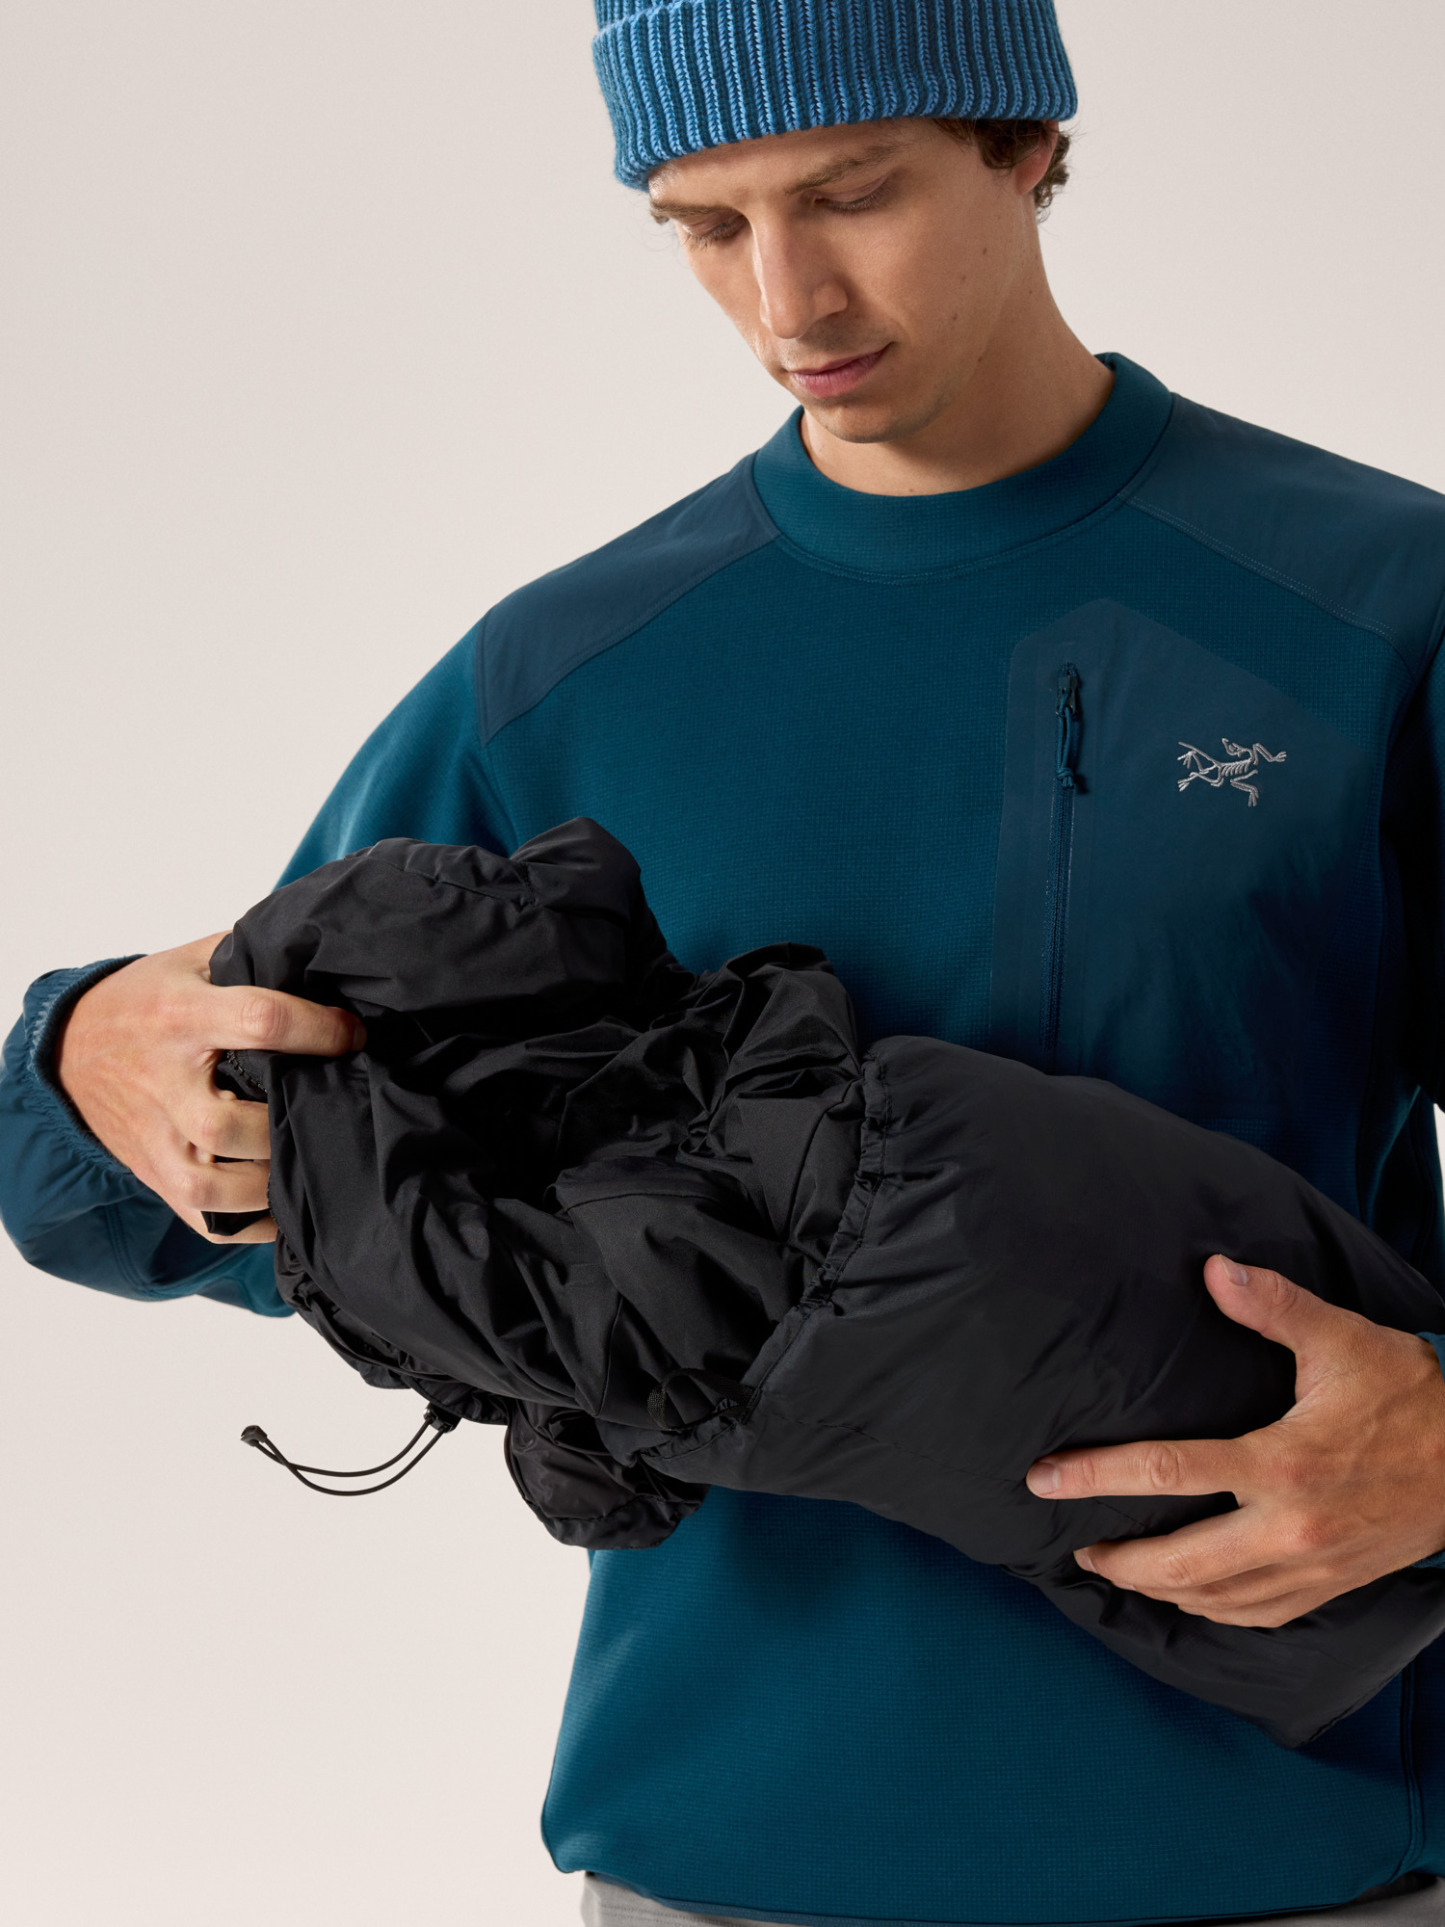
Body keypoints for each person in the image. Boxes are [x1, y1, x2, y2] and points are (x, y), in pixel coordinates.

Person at [4, 2, 1445, 1923]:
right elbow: (159, 1191)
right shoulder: (569, 676)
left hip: (1299, 1860)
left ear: (1024, 142)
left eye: (851, 193)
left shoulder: (1368, 610)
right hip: (729, 1860)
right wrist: (79, 1047)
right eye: (703, 223)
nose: (787, 298)